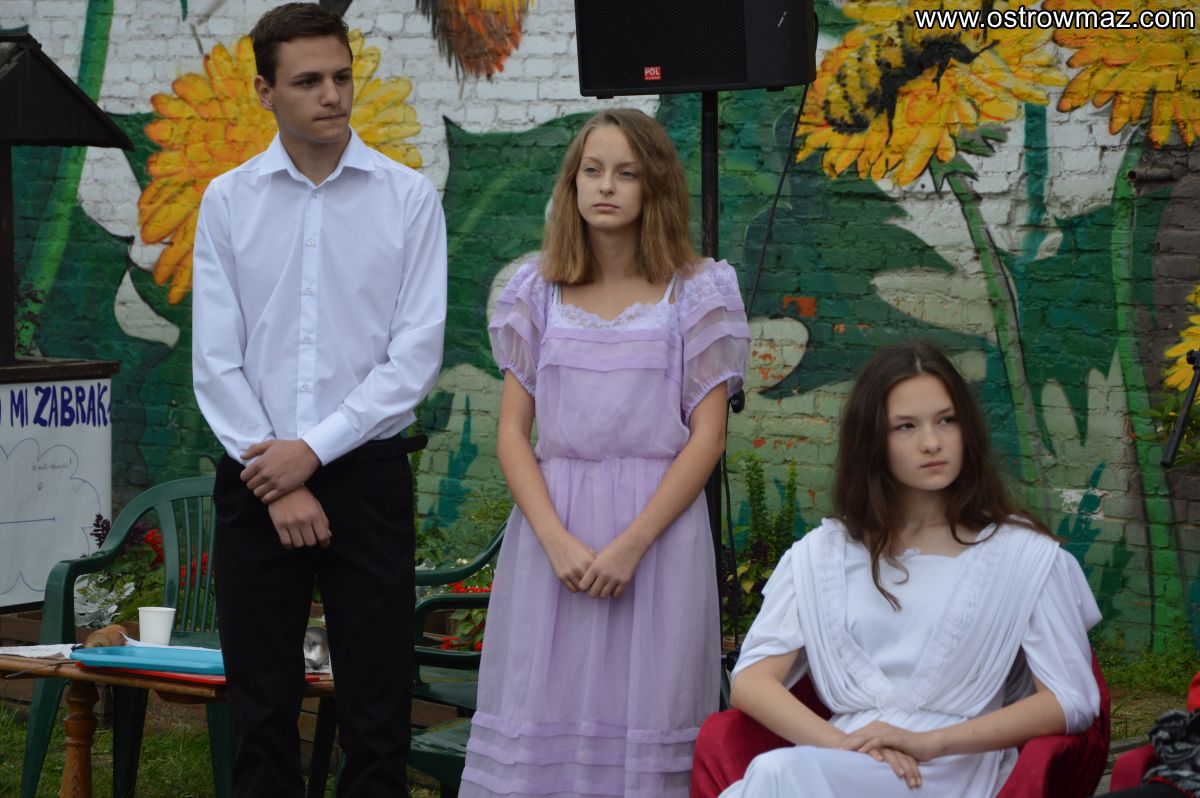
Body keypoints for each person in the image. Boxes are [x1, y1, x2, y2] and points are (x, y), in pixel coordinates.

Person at [191, 4, 447, 796]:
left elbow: (414, 359)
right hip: (256, 475)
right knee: (260, 709)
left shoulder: (407, 198)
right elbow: (215, 361)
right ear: (265, 91)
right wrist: (280, 477)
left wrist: (311, 452)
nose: (332, 95)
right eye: (307, 81)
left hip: (365, 477)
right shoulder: (227, 201)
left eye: (341, 76)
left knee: (377, 710)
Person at [459, 107, 751, 797]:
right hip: (554, 533)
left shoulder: (698, 290)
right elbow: (512, 434)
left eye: (626, 172)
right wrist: (554, 539)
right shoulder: (536, 290)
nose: (606, 186)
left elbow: (708, 437)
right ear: (573, 183)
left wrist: (632, 544)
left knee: (646, 713)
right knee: (543, 708)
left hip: (657, 538)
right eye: (592, 170)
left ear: (656, 186)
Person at [717, 341, 1101, 797]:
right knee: (779, 773)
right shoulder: (823, 554)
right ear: (872, 441)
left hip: (950, 769)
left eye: (946, 420)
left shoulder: (1024, 556)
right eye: (906, 426)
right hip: (840, 762)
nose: (932, 442)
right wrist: (845, 746)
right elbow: (751, 681)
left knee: (777, 774)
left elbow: (1071, 700)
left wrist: (930, 743)